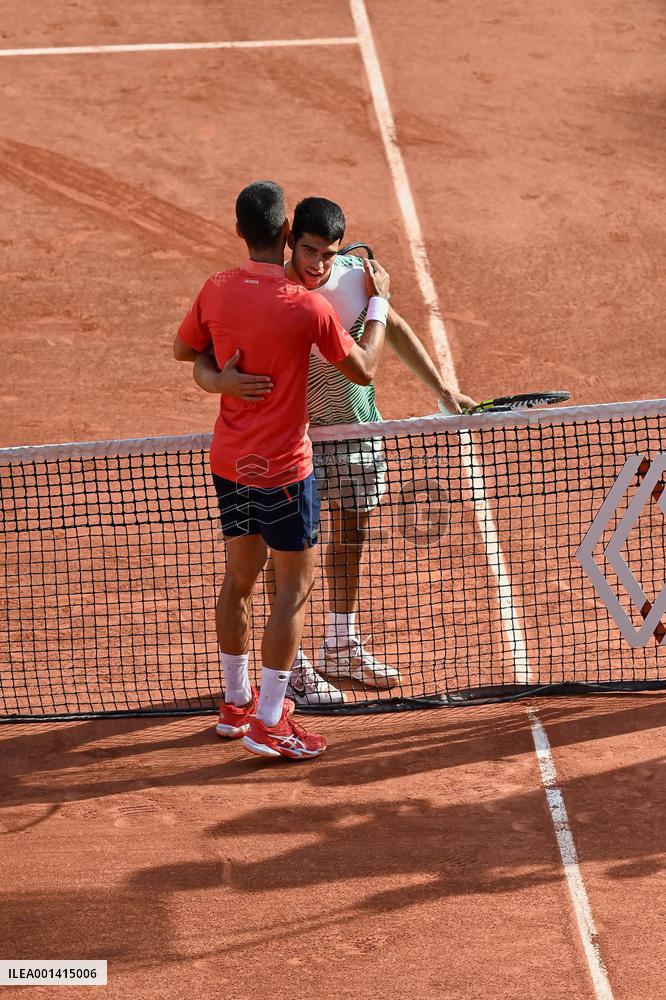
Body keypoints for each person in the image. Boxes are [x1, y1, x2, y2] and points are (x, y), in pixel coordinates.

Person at [192, 196, 475, 707]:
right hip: (293, 437)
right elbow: (203, 353)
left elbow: (395, 328)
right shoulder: (273, 292)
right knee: (287, 556)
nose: (316, 263)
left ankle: (341, 644)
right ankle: (293, 667)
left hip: (354, 429)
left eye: (327, 253)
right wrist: (218, 380)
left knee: (353, 533)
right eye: (307, 249)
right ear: (288, 240)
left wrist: (443, 389)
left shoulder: (353, 277)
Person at [173, 181, 391, 759]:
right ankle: (271, 720)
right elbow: (364, 369)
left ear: (239, 229)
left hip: (229, 462)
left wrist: (217, 380)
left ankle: (234, 704)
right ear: (288, 236)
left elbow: (184, 350)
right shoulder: (307, 306)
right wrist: (381, 304)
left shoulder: (215, 288)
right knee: (293, 589)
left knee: (238, 581)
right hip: (285, 468)